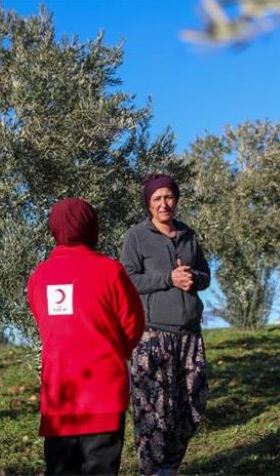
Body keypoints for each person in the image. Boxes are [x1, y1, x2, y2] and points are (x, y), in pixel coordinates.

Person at [28, 197, 145, 475]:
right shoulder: (111, 271)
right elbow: (133, 324)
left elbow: (42, 323)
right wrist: (115, 351)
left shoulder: (40, 276)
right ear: (92, 226)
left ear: (54, 228)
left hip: (60, 395)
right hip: (104, 392)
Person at [120, 174, 211, 476]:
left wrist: (192, 279)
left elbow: (205, 275)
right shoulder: (137, 236)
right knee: (154, 411)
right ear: (148, 203)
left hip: (189, 336)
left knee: (192, 404)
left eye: (169, 197)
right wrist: (167, 279)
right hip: (152, 335)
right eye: (157, 198)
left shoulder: (187, 234)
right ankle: (152, 469)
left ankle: (169, 467)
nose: (164, 204)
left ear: (176, 200)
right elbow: (129, 280)